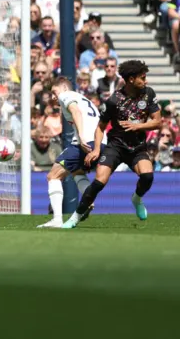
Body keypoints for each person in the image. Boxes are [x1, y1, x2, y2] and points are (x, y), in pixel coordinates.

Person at [63, 61, 162, 228]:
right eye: (142, 77)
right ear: (131, 79)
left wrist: (137, 126)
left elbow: (158, 122)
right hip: (115, 146)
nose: (146, 81)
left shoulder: (148, 94)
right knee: (99, 182)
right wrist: (95, 149)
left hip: (137, 147)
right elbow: (100, 128)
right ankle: (75, 217)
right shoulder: (114, 100)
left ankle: (137, 198)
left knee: (147, 176)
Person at [37, 77, 103, 228]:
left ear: (64, 88)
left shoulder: (66, 96)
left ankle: (57, 219)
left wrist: (81, 136)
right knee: (77, 172)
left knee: (53, 176)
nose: (54, 97)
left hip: (85, 141)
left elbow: (76, 112)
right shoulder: (85, 99)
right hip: (100, 142)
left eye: (55, 92)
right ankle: (88, 201)